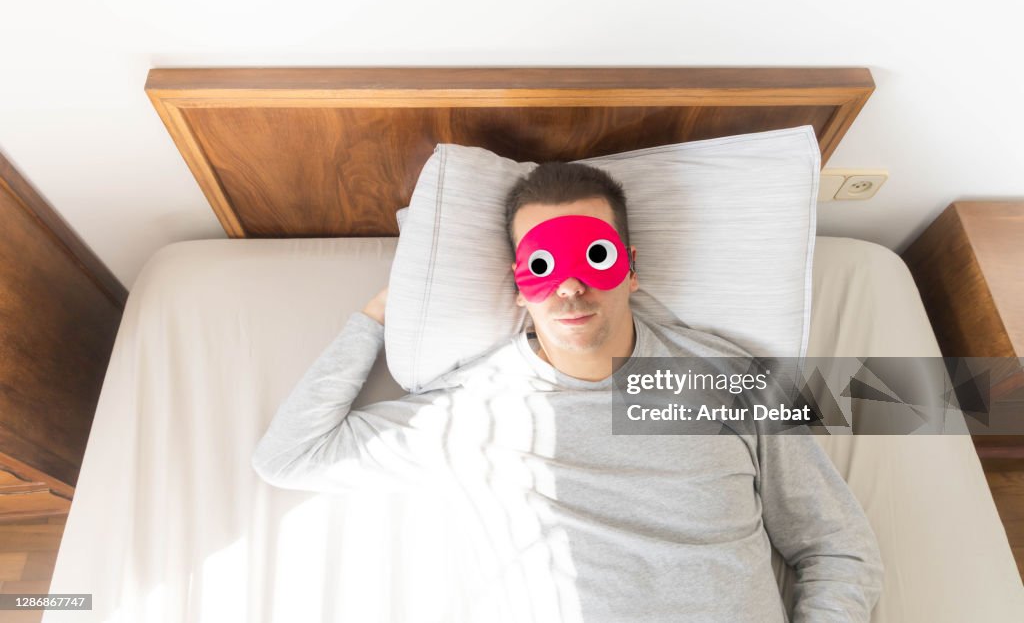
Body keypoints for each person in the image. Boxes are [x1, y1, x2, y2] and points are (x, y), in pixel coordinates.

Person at [252, 161, 884, 622]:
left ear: (630, 268)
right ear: (520, 286)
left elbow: (836, 545)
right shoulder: (472, 409)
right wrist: (383, 311)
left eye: (595, 258)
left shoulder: (735, 380)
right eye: (544, 267)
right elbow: (289, 457)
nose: (569, 288)